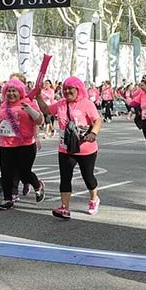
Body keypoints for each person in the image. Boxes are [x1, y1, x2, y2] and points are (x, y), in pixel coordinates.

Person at [36, 75, 102, 220]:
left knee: (88, 177)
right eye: (65, 89)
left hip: (85, 148)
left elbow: (97, 120)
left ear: (78, 89)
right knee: (65, 178)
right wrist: (38, 96)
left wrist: (93, 133)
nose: (67, 91)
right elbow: (46, 109)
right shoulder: (61, 104)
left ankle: (94, 199)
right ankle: (64, 207)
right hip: (65, 148)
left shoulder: (86, 104)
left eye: (70, 89)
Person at [0, 78, 45, 210]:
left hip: (25, 145)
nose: (11, 94)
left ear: (20, 92)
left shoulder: (28, 102)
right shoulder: (3, 106)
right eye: (8, 91)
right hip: (6, 145)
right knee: (6, 173)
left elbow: (40, 120)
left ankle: (37, 185)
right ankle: (8, 199)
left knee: (24, 172)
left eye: (14, 91)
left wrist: (30, 109)